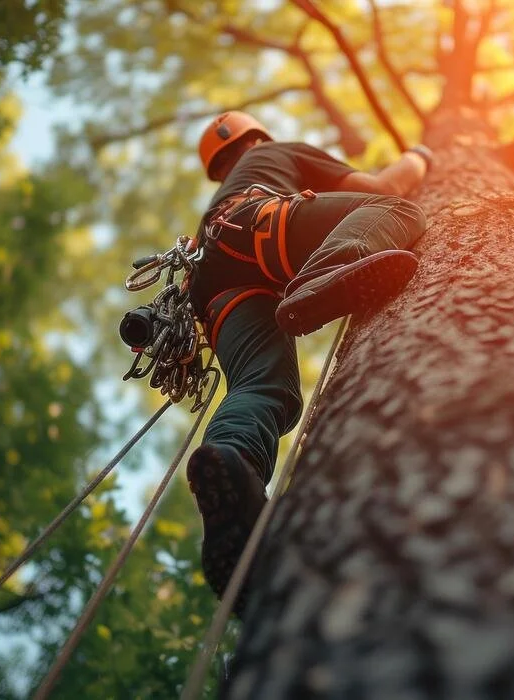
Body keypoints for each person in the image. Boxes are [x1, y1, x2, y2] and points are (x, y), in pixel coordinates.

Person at [183, 111, 431, 602]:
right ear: (257, 137)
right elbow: (384, 185)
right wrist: (418, 157)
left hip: (211, 287)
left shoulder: (221, 193)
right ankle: (329, 267)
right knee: (399, 212)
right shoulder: (280, 152)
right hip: (259, 228)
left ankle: (235, 467)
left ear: (218, 165)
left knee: (262, 388)